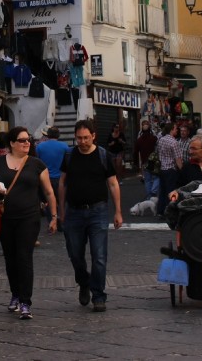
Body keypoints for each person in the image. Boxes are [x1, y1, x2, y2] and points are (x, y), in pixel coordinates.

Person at [0, 127, 57, 320]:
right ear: (12, 143)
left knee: (24, 257)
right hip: (6, 217)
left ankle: (26, 301)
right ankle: (15, 294)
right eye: (22, 140)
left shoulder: (37, 164)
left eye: (29, 140)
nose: (27, 143)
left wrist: (54, 216)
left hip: (29, 217)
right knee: (10, 258)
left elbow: (49, 192)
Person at [59, 120, 123, 312]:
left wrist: (118, 211)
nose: (83, 141)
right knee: (75, 255)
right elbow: (62, 183)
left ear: (93, 136)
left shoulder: (103, 155)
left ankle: (98, 295)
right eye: (79, 138)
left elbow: (113, 183)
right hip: (74, 212)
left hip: (98, 211)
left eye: (86, 137)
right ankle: (84, 282)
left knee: (99, 256)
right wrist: (61, 210)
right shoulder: (69, 155)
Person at [35, 127, 67, 221]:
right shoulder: (64, 146)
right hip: (60, 178)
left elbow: (38, 161)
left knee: (49, 200)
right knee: (61, 200)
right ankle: (62, 220)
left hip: (46, 178)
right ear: (58, 135)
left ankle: (51, 221)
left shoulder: (40, 146)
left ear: (47, 135)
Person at [155, 124, 181, 216]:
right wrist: (181, 169)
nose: (177, 130)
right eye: (175, 129)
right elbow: (178, 158)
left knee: (162, 191)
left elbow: (158, 152)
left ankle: (160, 210)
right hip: (171, 169)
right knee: (171, 191)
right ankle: (170, 210)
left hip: (162, 168)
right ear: (171, 130)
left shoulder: (161, 140)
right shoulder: (174, 142)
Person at [133, 119, 159, 199]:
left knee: (147, 180)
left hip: (144, 162)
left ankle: (149, 196)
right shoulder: (154, 138)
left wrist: (136, 163)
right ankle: (153, 191)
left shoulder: (139, 140)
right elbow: (158, 148)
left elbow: (135, 152)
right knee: (156, 177)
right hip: (154, 162)